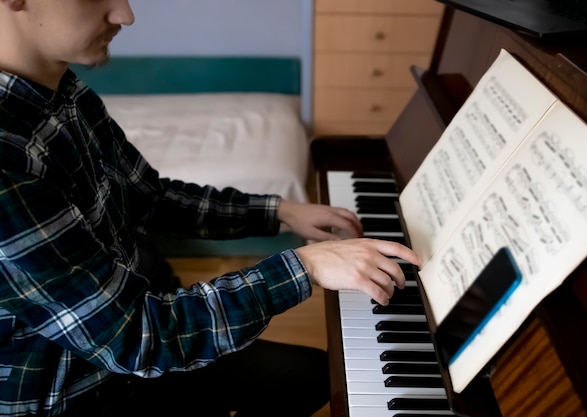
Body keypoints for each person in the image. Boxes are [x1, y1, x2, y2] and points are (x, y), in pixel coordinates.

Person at [0, 0, 422, 416]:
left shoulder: (66, 93)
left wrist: (279, 212)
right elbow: (139, 336)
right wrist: (305, 267)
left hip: (117, 357)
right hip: (74, 394)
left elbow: (147, 198)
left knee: (310, 375)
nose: (126, 15)